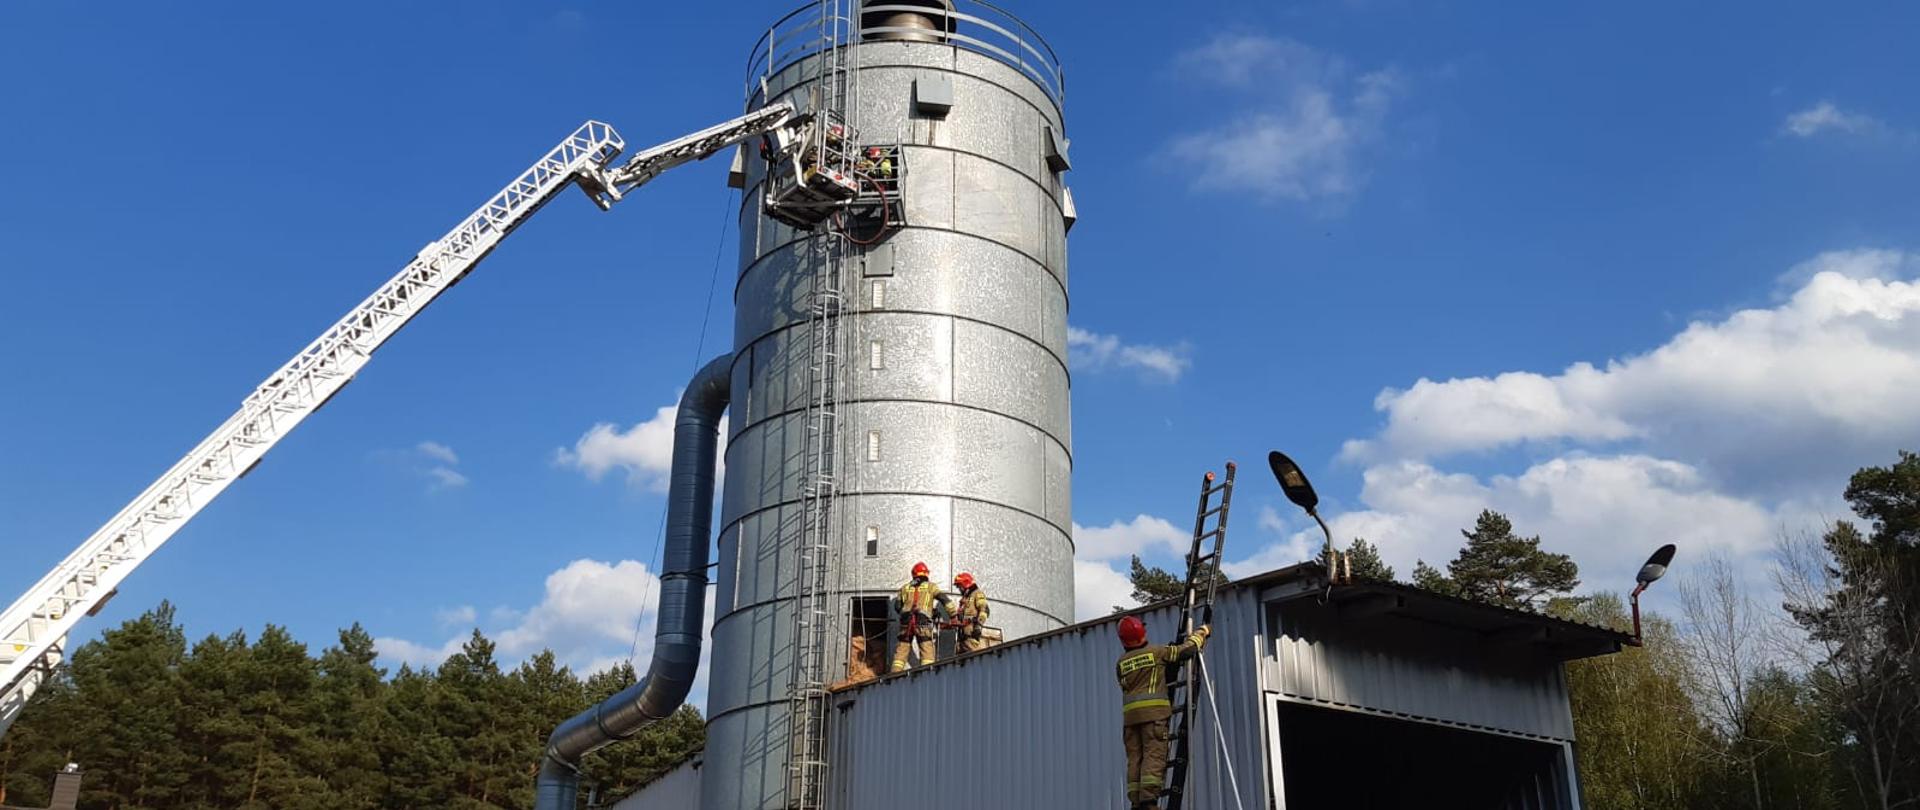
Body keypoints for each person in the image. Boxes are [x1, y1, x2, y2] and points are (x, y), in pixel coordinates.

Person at [1114, 615, 1210, 808]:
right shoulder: (1157, 653)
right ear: (1142, 633)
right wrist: (1202, 632)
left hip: (1130, 721)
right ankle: (1149, 802)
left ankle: (1136, 803)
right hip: (1154, 717)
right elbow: (1187, 650)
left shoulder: (1121, 663)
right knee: (1153, 756)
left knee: (1135, 759)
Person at [891, 561, 949, 672]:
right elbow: (944, 600)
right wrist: (953, 615)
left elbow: (897, 606)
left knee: (902, 649)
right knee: (926, 644)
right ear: (926, 574)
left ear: (914, 574)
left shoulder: (905, 588)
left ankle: (894, 674)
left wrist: (905, 614)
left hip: (906, 622)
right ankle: (926, 673)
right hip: (923, 622)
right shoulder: (931, 587)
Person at [949, 572, 991, 654]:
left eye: (959, 586)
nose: (959, 589)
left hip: (971, 638)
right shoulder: (965, 599)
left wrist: (979, 625)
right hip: (962, 640)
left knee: (975, 659)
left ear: (965, 583)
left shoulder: (977, 593)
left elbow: (985, 609)